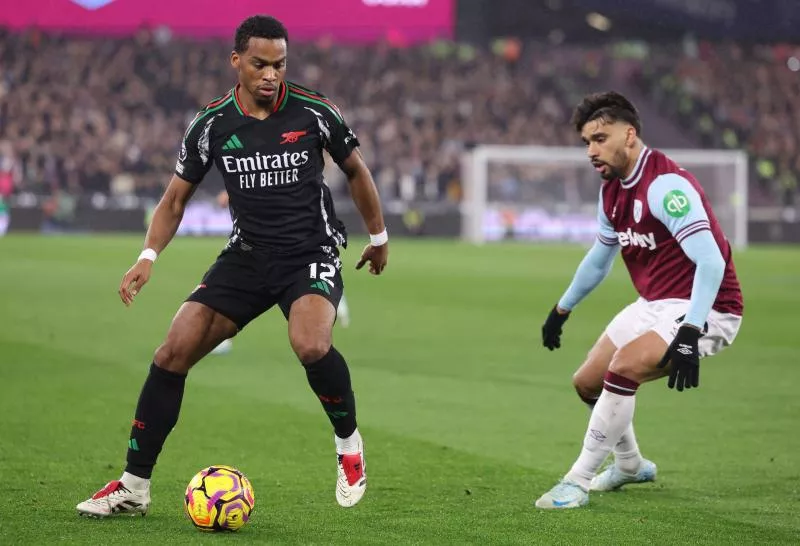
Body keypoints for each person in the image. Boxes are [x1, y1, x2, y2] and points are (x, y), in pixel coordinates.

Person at [77, 14, 388, 517]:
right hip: (246, 257)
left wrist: (379, 236)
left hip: (308, 253)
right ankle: (133, 487)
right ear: (237, 61)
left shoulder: (314, 111)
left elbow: (356, 169)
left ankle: (349, 445)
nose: (271, 75)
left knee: (310, 343)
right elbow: (175, 199)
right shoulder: (212, 123)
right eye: (261, 64)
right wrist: (147, 257)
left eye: (280, 65)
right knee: (171, 352)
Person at [535, 91, 743, 509]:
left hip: (708, 306)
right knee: (587, 383)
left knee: (624, 365)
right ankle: (630, 464)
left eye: (600, 138)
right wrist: (562, 308)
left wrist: (689, 330)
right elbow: (599, 258)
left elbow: (712, 262)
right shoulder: (611, 189)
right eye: (586, 143)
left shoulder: (666, 187)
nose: (592, 151)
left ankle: (577, 479)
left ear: (629, 135)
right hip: (653, 302)